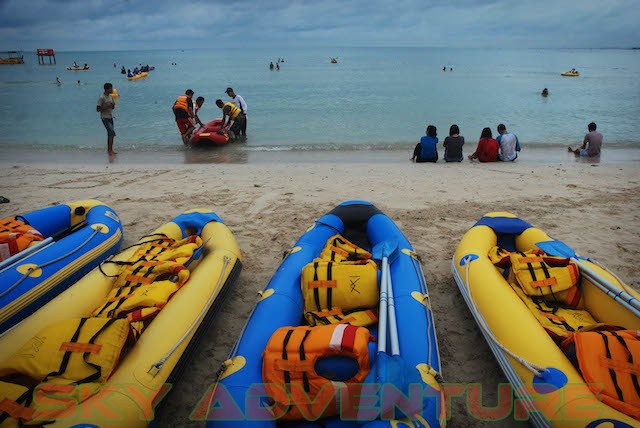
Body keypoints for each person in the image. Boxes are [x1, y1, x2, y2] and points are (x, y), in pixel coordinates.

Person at [96, 82, 117, 155]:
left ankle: (110, 150)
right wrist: (106, 107)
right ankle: (109, 150)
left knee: (110, 134)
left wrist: (113, 105)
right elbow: (98, 109)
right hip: (104, 117)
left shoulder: (110, 96)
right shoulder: (102, 97)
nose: (112, 89)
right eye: (111, 88)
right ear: (107, 89)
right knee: (112, 132)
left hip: (110, 117)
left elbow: (113, 107)